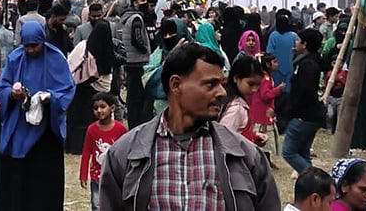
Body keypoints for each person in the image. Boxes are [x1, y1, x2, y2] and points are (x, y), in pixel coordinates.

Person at [99, 42, 280, 210]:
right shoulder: (125, 155)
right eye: (210, 84)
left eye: (221, 83)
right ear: (176, 85)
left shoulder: (246, 156)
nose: (222, 92)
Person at [0, 21, 76, 211]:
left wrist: (51, 98)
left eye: (35, 45)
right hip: (19, 129)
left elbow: (67, 88)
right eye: (27, 46)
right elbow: (1, 88)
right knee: (17, 184)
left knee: (44, 187)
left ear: (42, 41)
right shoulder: (15, 58)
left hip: (46, 133)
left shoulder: (55, 58)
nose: (31, 50)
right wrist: (12, 94)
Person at [66, 20, 115, 154]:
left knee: (77, 118)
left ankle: (75, 146)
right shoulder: (108, 49)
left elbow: (70, 64)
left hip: (81, 87)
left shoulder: (84, 46)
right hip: (99, 89)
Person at [282, 28, 325, 174]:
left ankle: (314, 177)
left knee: (288, 152)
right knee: (303, 152)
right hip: (313, 114)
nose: (296, 42)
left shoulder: (307, 65)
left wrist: (288, 110)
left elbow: (302, 92)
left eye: (298, 40)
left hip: (303, 115)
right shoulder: (315, 61)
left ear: (305, 44)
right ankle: (309, 183)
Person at [79, 92, 127, 211]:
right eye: (96, 108)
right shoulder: (91, 129)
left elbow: (126, 152)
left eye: (102, 107)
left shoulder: (120, 129)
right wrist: (83, 175)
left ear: (112, 108)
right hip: (97, 176)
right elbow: (86, 153)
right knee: (97, 205)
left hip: (115, 176)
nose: (99, 110)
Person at [219, 55, 265, 145]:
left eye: (257, 85)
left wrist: (254, 136)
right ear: (236, 78)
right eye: (251, 84)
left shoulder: (229, 98)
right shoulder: (236, 108)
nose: (254, 89)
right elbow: (223, 139)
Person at [121, 0, 151, 129]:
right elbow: (137, 39)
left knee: (132, 95)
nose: (146, 3)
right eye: (142, 0)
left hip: (130, 60)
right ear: (135, 3)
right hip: (137, 61)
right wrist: (145, 49)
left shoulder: (128, 17)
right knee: (136, 96)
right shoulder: (136, 18)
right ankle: (135, 124)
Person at [251, 52, 284, 168]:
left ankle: (267, 160)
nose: (277, 64)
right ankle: (263, 161)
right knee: (264, 136)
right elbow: (265, 95)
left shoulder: (266, 76)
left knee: (266, 135)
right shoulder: (265, 78)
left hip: (264, 111)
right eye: (274, 62)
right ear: (267, 64)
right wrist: (277, 90)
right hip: (262, 112)